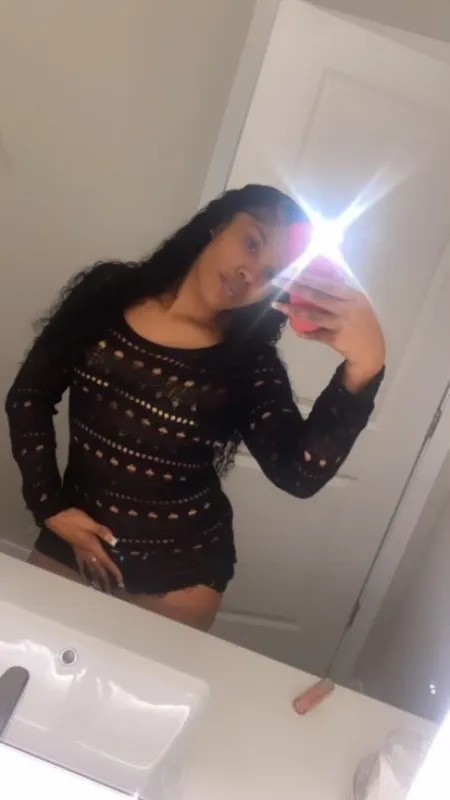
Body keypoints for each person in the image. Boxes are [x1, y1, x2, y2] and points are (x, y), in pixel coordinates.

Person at [5, 184, 385, 631]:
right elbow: (29, 397)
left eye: (273, 273)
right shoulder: (106, 293)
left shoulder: (249, 365)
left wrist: (365, 367)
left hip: (180, 573)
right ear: (217, 224)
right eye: (252, 242)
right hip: (73, 539)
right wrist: (49, 508)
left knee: (144, 678)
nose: (250, 273)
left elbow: (298, 474)